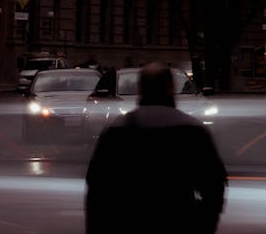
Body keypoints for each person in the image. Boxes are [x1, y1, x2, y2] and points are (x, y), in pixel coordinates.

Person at [84, 61, 227, 234]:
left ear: (140, 89)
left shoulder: (117, 130)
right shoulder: (192, 130)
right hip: (179, 220)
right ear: (170, 87)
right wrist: (203, 224)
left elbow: (97, 189)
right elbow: (214, 185)